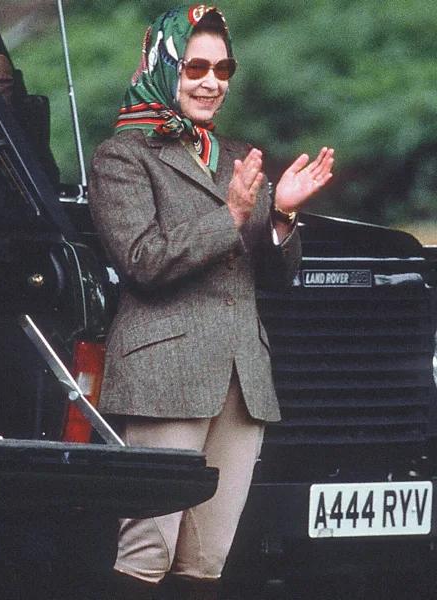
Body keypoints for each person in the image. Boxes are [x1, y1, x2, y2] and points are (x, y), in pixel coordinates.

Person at [88, 5, 333, 600]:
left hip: (241, 380)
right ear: (164, 66)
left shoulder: (234, 155)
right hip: (164, 373)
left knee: (207, 562)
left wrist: (281, 215)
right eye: (196, 66)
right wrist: (231, 216)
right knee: (147, 552)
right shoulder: (122, 155)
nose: (211, 82)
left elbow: (272, 277)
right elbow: (143, 262)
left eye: (223, 70)